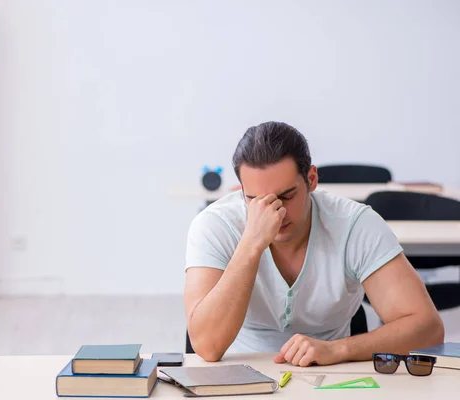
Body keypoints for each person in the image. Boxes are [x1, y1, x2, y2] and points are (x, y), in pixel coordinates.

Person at [184, 121, 444, 366]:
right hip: (237, 373)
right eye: (255, 200)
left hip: (332, 374)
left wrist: (338, 349)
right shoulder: (214, 225)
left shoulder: (355, 225)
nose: (275, 213)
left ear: (311, 179)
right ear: (241, 190)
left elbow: (428, 330)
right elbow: (207, 346)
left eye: (286, 196)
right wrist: (251, 244)